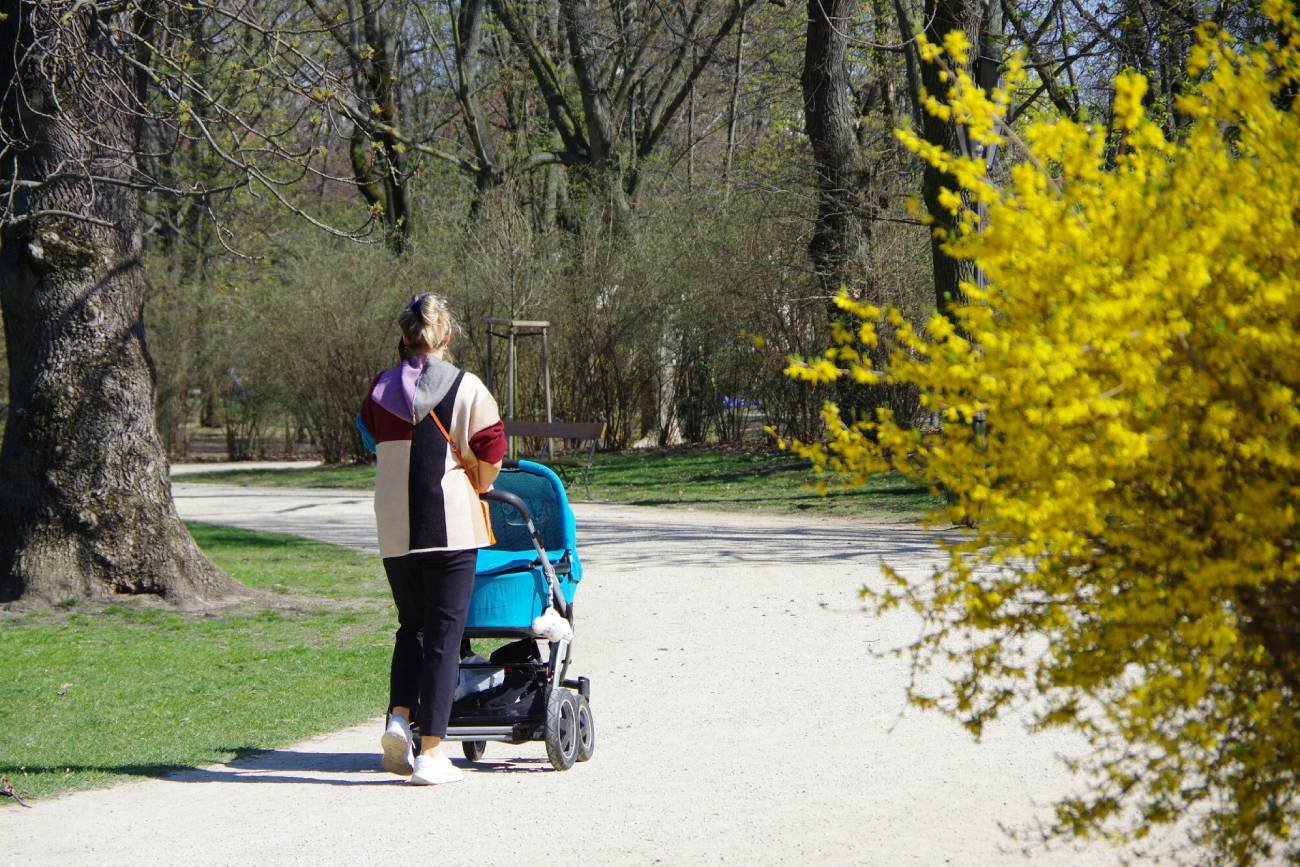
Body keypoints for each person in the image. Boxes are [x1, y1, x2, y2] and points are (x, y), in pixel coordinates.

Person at [358, 293, 505, 785]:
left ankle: (399, 721)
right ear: (446, 337)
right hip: (450, 528)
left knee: (411, 629)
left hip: (395, 528)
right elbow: (490, 452)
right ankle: (433, 752)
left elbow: (368, 436)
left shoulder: (380, 389)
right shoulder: (468, 388)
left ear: (404, 338)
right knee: (443, 638)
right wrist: (480, 484)